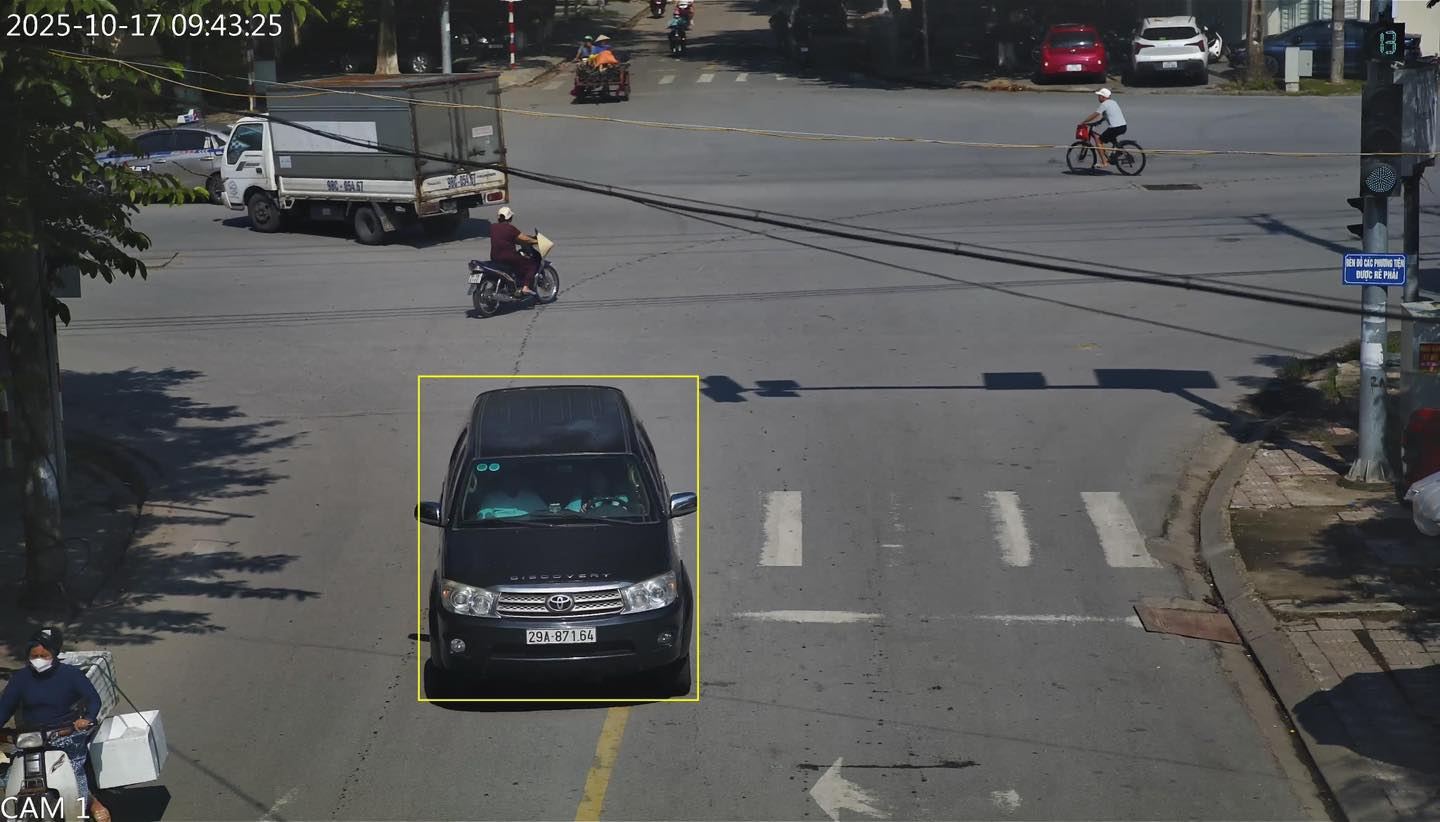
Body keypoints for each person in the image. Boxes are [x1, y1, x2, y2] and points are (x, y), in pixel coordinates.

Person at [0, 628, 110, 822]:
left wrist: (87, 719)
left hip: (67, 734)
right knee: (9, 781)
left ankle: (90, 802)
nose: (39, 659)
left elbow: (93, 700)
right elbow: (5, 708)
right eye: (34, 655)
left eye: (44, 655)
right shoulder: (21, 679)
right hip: (31, 737)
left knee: (75, 777)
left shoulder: (71, 675)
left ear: (55, 654)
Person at [489, 206, 539, 297]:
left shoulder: (493, 227)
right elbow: (525, 239)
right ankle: (526, 287)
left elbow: (504, 238)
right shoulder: (510, 229)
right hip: (509, 257)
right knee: (531, 265)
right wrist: (536, 241)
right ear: (510, 218)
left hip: (495, 257)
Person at [1079, 87, 1127, 169]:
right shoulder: (1113, 102)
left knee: (1099, 141)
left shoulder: (1104, 104)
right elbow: (1106, 116)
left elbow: (1095, 114)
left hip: (1115, 128)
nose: (1098, 97)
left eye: (1099, 96)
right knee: (1112, 139)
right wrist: (1096, 123)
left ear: (1104, 97)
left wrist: (1084, 122)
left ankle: (1104, 162)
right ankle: (1118, 152)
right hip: (1123, 126)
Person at [477, 466, 545, 518]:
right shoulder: (491, 499)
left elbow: (544, 518)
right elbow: (483, 520)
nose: (512, 481)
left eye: (515, 477)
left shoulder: (533, 498)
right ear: (503, 479)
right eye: (509, 477)